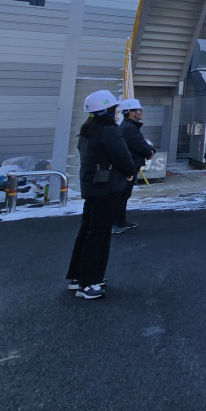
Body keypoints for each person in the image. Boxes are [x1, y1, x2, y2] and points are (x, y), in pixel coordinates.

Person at [66, 90, 136, 300]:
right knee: (99, 235)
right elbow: (122, 155)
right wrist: (130, 172)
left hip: (91, 187)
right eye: (115, 108)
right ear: (108, 110)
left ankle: (78, 276)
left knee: (87, 231)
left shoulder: (88, 129)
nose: (117, 112)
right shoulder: (109, 130)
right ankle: (89, 283)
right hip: (106, 187)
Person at [114, 98, 154, 233]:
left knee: (124, 194)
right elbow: (140, 145)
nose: (141, 112)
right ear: (131, 113)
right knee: (122, 195)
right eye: (139, 110)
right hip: (130, 165)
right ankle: (117, 222)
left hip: (130, 164)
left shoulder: (127, 127)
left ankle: (120, 221)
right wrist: (150, 151)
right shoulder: (130, 129)